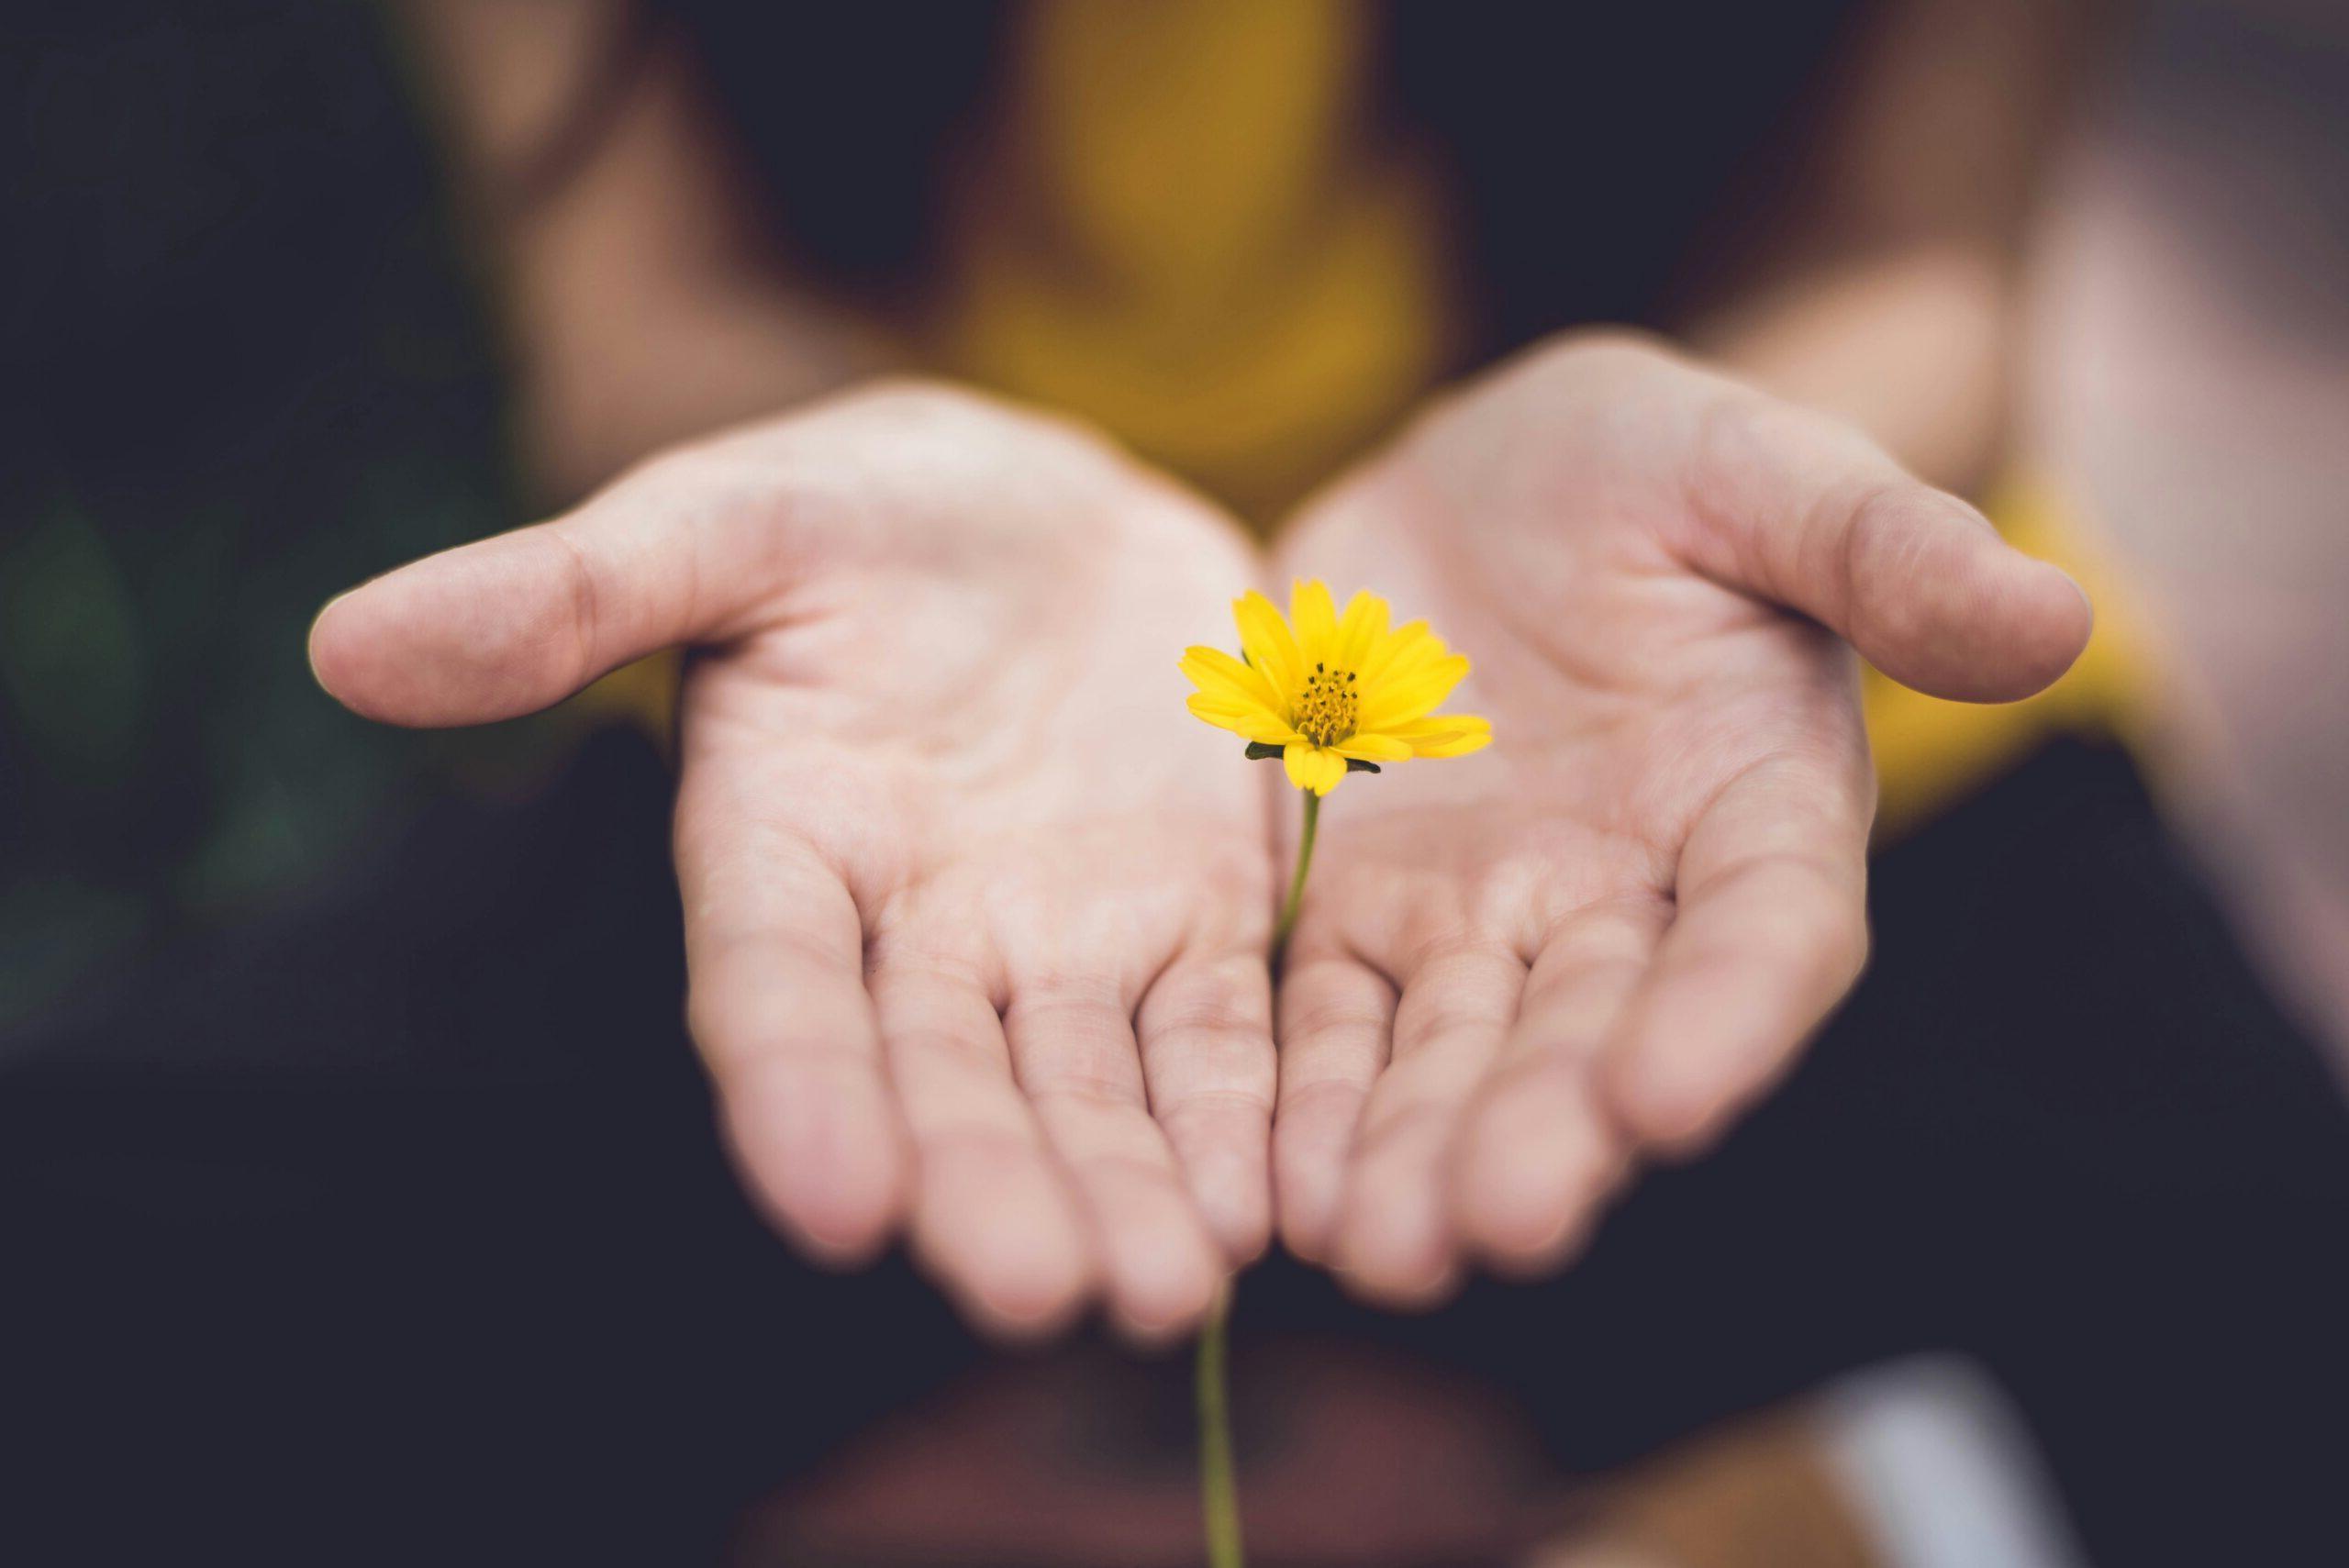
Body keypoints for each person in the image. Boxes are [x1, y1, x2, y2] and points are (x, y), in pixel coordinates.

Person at [10, 2, 2346, 1562]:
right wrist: (823, 472)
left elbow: (1909, 248)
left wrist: (1762, 493)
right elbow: (649, 310)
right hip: (908, 767)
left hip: (1715, 750)